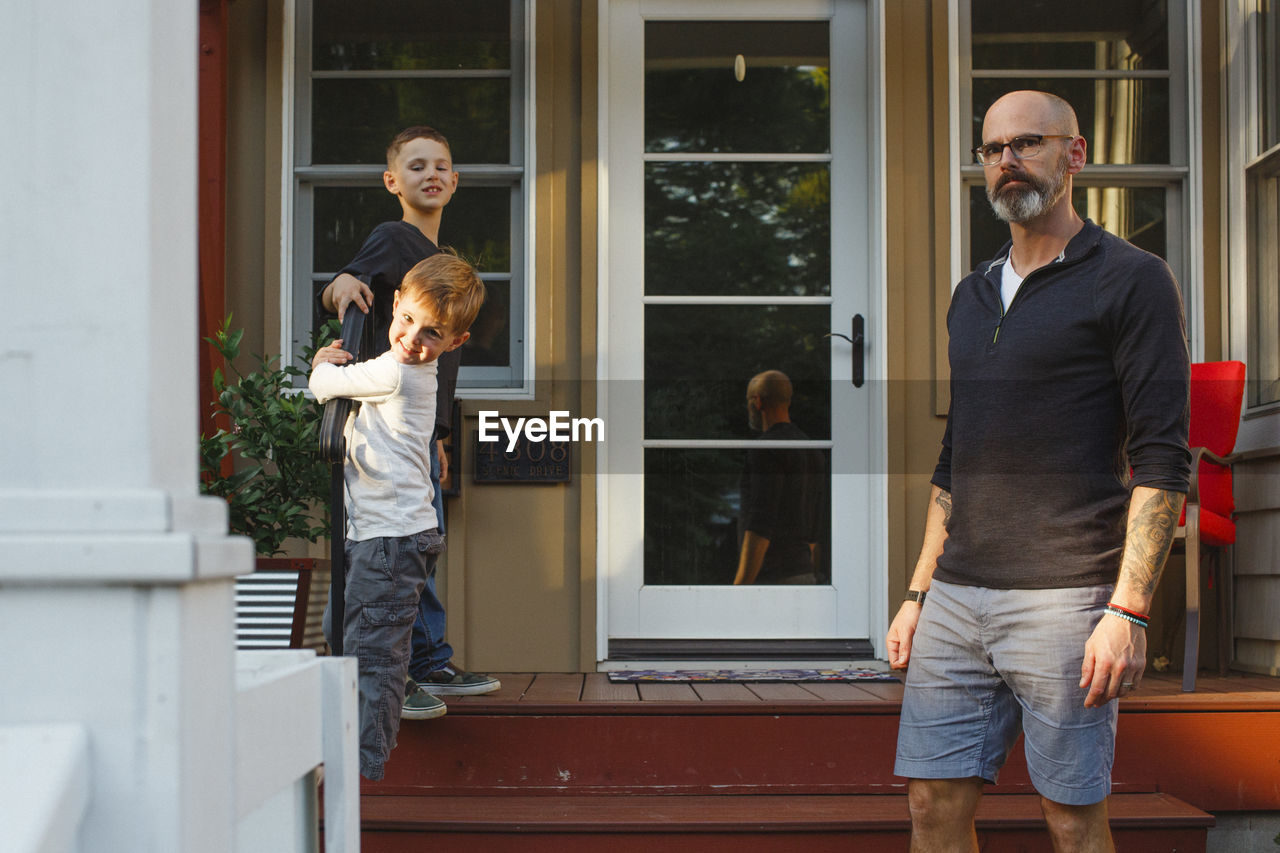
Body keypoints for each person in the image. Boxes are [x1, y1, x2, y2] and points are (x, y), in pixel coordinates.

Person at [886, 90, 1190, 851]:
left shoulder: (1132, 279)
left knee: (1070, 814)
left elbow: (1162, 457)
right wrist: (919, 591)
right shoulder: (972, 293)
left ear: (1074, 154)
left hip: (1066, 599)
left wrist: (1127, 611)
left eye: (1027, 143)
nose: (1006, 162)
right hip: (957, 598)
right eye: (992, 150)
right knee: (930, 802)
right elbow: (958, 452)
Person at [318, 126, 501, 721]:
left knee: (416, 550)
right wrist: (338, 286)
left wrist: (440, 438)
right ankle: (400, 668)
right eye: (416, 165)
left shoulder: (443, 266)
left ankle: (426, 661)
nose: (431, 174)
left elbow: (440, 371)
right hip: (385, 433)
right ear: (392, 181)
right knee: (395, 552)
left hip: (418, 432)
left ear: (455, 180)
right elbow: (348, 285)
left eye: (441, 165)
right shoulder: (393, 238)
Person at [310, 252, 485, 781]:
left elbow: (324, 387)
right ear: (394, 305)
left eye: (432, 333)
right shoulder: (412, 370)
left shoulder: (395, 373)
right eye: (406, 320)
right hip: (396, 534)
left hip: (388, 538)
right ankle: (351, 740)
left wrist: (323, 360)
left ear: (455, 344)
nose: (412, 338)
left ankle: (363, 766)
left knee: (375, 657)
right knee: (343, 629)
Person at [733, 370, 826, 585]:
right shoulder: (813, 451)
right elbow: (815, 530)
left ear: (757, 402)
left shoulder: (767, 450)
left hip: (773, 579)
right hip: (805, 575)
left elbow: (760, 524)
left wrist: (739, 588)